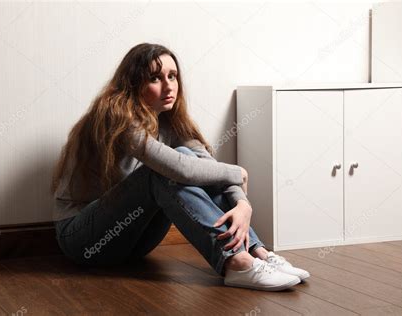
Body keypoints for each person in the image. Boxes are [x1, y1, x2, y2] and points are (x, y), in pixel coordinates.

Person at [51, 43, 310, 291]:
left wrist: (243, 204)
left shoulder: (171, 122)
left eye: (172, 76)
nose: (168, 86)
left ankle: (258, 252)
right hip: (84, 240)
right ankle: (237, 263)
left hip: (134, 242)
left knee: (187, 154)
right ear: (133, 83)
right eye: (155, 78)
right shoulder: (115, 116)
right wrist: (239, 173)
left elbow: (209, 169)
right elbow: (181, 170)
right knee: (162, 171)